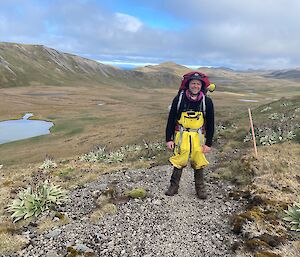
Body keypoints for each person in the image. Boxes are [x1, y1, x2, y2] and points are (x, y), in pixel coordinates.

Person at [165, 72, 215, 199]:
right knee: (179, 160)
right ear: (188, 84)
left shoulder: (207, 102)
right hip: (181, 136)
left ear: (202, 86)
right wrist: (168, 139)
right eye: (193, 83)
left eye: (198, 84)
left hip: (198, 137)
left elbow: (210, 123)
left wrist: (208, 143)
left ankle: (200, 189)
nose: (195, 86)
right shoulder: (179, 99)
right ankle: (173, 187)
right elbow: (171, 119)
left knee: (198, 160)